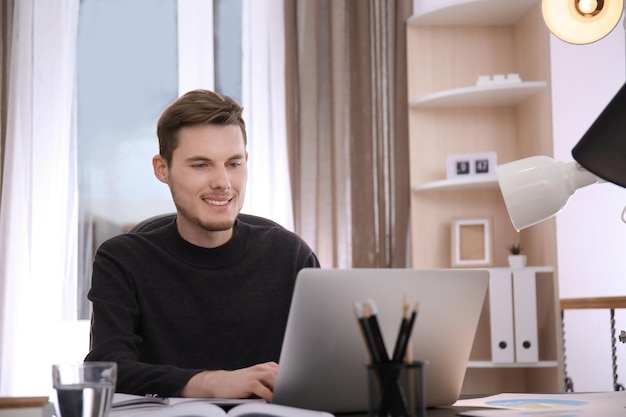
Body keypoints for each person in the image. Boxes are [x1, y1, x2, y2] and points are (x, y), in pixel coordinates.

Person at [85, 90, 320, 402]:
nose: (223, 182)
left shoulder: (291, 255)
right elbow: (109, 369)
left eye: (233, 163)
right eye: (201, 165)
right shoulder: (123, 259)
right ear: (162, 169)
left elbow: (326, 365)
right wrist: (211, 383)